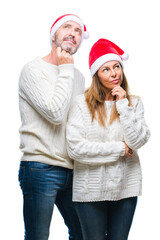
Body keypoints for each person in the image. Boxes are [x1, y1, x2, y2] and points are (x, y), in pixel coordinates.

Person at [66, 38, 150, 240]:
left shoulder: (133, 103)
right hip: (89, 192)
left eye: (117, 66)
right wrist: (120, 149)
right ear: (96, 74)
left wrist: (122, 104)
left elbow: (138, 141)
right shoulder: (80, 104)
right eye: (106, 69)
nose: (114, 74)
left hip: (125, 190)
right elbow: (76, 149)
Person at [18, 14, 89, 240]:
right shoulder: (33, 70)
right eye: (67, 27)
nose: (73, 33)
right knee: (38, 236)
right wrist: (66, 70)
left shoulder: (78, 77)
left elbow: (79, 122)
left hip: (72, 170)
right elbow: (55, 114)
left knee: (84, 233)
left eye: (78, 31)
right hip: (40, 168)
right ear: (53, 35)